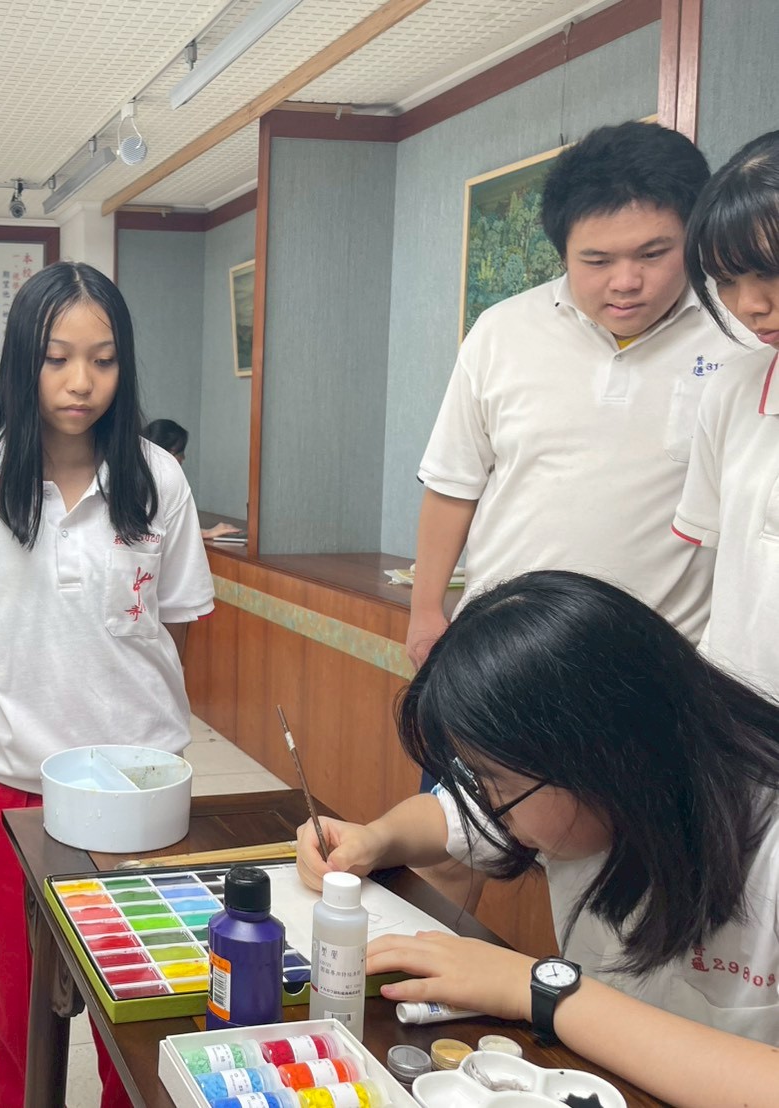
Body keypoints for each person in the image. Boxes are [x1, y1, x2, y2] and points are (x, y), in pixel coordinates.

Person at [298, 570, 779, 1106]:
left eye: (495, 784)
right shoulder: (596, 793)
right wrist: (376, 839)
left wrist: (541, 989)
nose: (487, 806)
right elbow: (446, 817)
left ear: (601, 760)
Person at [0, 262, 215, 1106]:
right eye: (57, 359)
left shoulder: (157, 477)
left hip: (140, 789)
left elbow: (176, 623)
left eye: (102, 359)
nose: (80, 381)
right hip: (17, 783)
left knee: (141, 1004)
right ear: (24, 361)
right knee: (19, 1007)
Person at [409, 120, 749, 668]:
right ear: (562, 252)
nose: (626, 281)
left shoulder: (743, 339)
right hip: (503, 653)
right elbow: (454, 484)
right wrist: (426, 611)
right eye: (597, 261)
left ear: (693, 238)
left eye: (653, 254)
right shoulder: (500, 332)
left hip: (664, 663)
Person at [673, 130, 779, 699]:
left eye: (771, 270)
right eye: (728, 281)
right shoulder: (732, 392)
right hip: (736, 716)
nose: (751, 306)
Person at [142, 417, 242, 541]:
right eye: (179, 452)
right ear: (164, 453)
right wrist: (207, 533)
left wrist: (206, 533)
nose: (183, 458)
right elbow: (158, 534)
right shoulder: (163, 486)